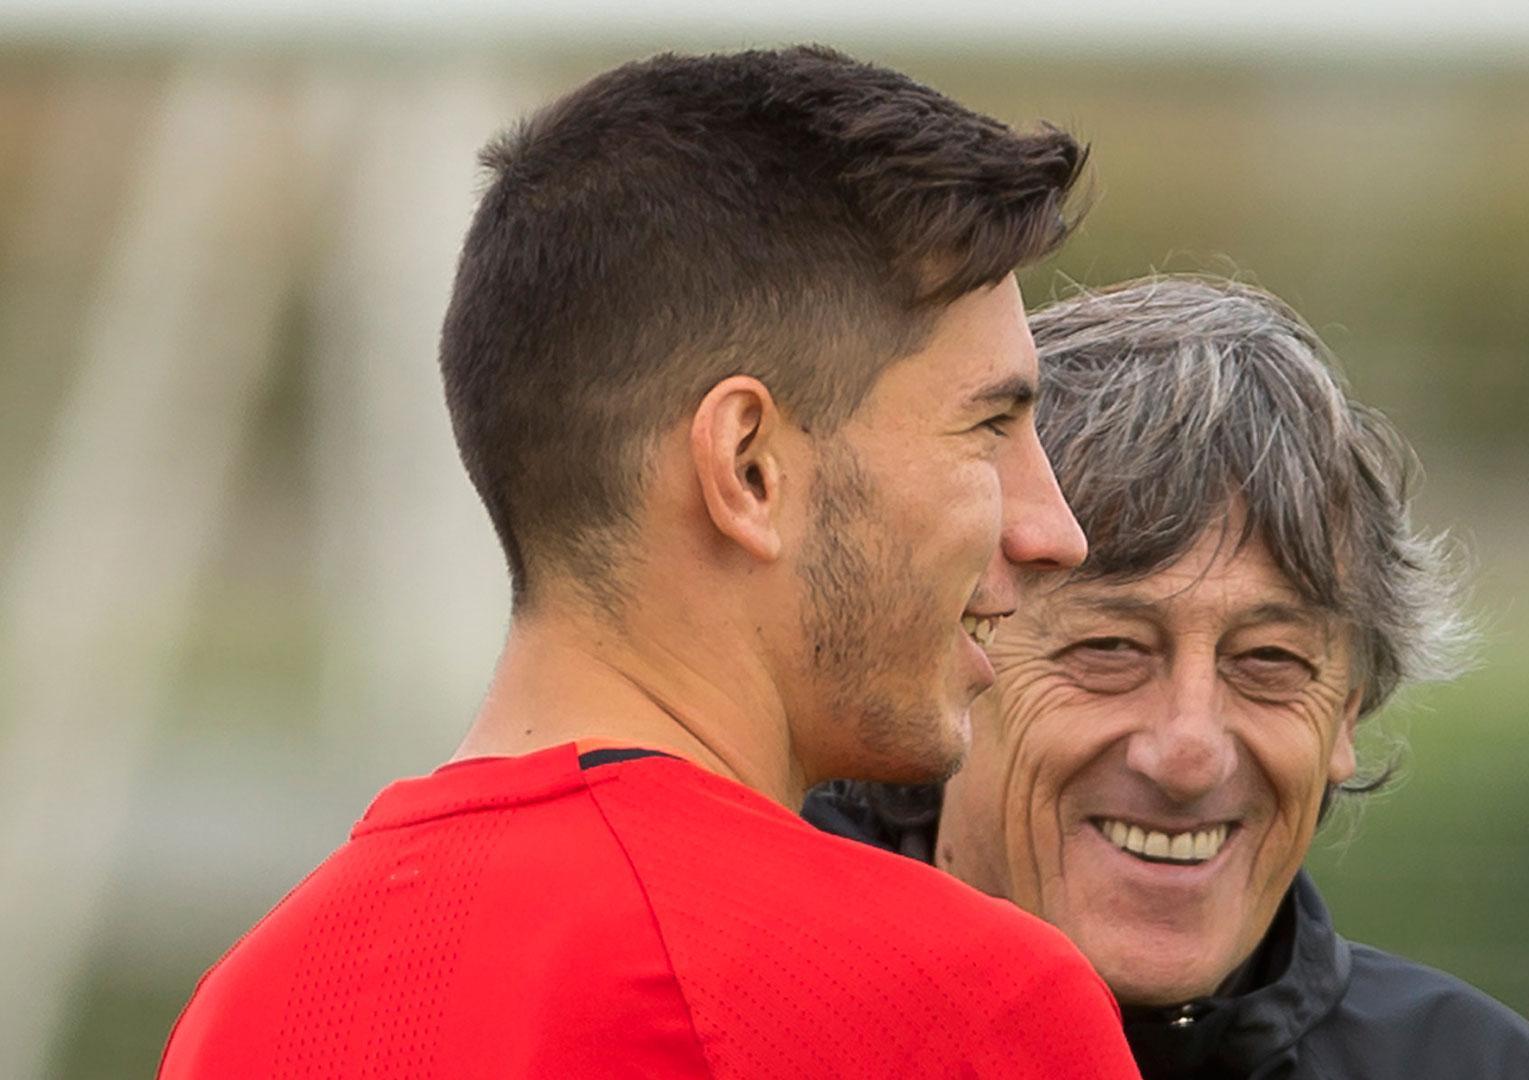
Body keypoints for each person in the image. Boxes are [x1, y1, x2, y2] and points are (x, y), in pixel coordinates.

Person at [158, 47, 1143, 1079]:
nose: (1053, 530)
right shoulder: (961, 1009)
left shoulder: (246, 1012)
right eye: (989, 428)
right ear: (748, 468)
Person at [808, 276, 1529, 1079]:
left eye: (1268, 663)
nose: (1188, 754)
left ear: (1348, 711)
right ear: (946, 663)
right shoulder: (736, 1029)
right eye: (1111, 650)